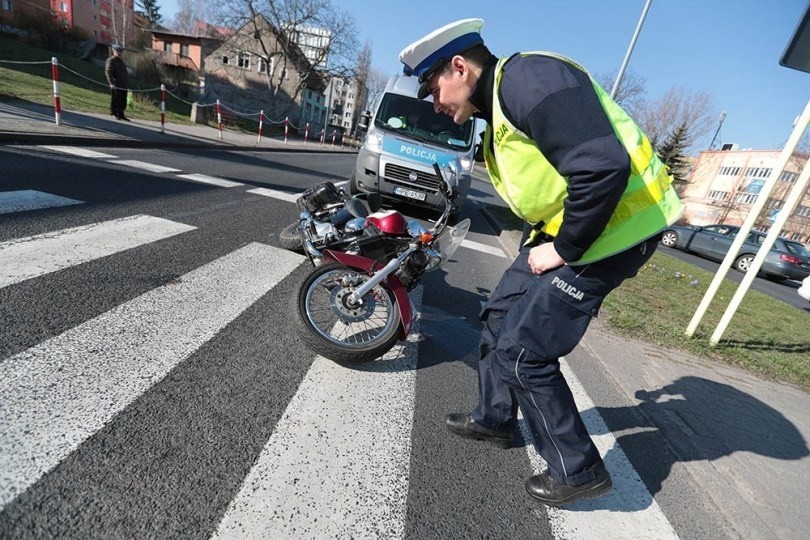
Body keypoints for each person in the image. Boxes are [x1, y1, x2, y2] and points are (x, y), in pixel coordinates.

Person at [399, 19, 683, 506]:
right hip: (567, 232)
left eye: (432, 88)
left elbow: (601, 165)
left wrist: (566, 248)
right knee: (498, 316)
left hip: (611, 235)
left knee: (524, 351)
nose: (434, 103)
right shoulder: (497, 112)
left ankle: (577, 469)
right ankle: (495, 418)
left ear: (459, 67)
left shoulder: (529, 79)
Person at [105, 44, 130, 121]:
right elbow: (108, 72)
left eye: (120, 51)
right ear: (114, 51)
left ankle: (121, 114)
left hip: (123, 84)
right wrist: (111, 83)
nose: (119, 53)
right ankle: (114, 113)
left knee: (123, 100)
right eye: (117, 51)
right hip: (116, 84)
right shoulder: (111, 60)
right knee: (116, 99)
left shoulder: (121, 61)